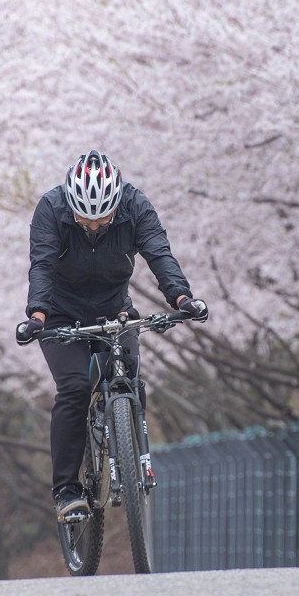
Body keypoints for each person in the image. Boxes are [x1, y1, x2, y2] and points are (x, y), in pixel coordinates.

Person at [16, 149, 208, 522]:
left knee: (130, 371)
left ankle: (127, 435)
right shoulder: (50, 209)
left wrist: (182, 297)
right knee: (73, 388)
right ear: (70, 205)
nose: (92, 226)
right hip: (58, 313)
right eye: (83, 219)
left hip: (113, 308)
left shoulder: (136, 206)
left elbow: (159, 253)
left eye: (101, 218)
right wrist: (37, 314)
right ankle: (67, 491)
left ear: (116, 204)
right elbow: (41, 262)